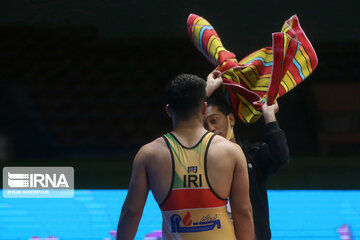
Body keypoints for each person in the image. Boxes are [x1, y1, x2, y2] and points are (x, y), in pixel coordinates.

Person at [116, 74, 254, 240]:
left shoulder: (149, 155)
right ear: (204, 109)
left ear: (168, 110)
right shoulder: (230, 151)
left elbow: (131, 212)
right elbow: (243, 212)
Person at [205, 70, 290, 240]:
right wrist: (206, 90)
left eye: (214, 120)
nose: (210, 129)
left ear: (231, 119)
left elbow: (281, 157)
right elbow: (184, 120)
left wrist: (269, 115)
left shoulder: (252, 155)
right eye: (204, 125)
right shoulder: (198, 160)